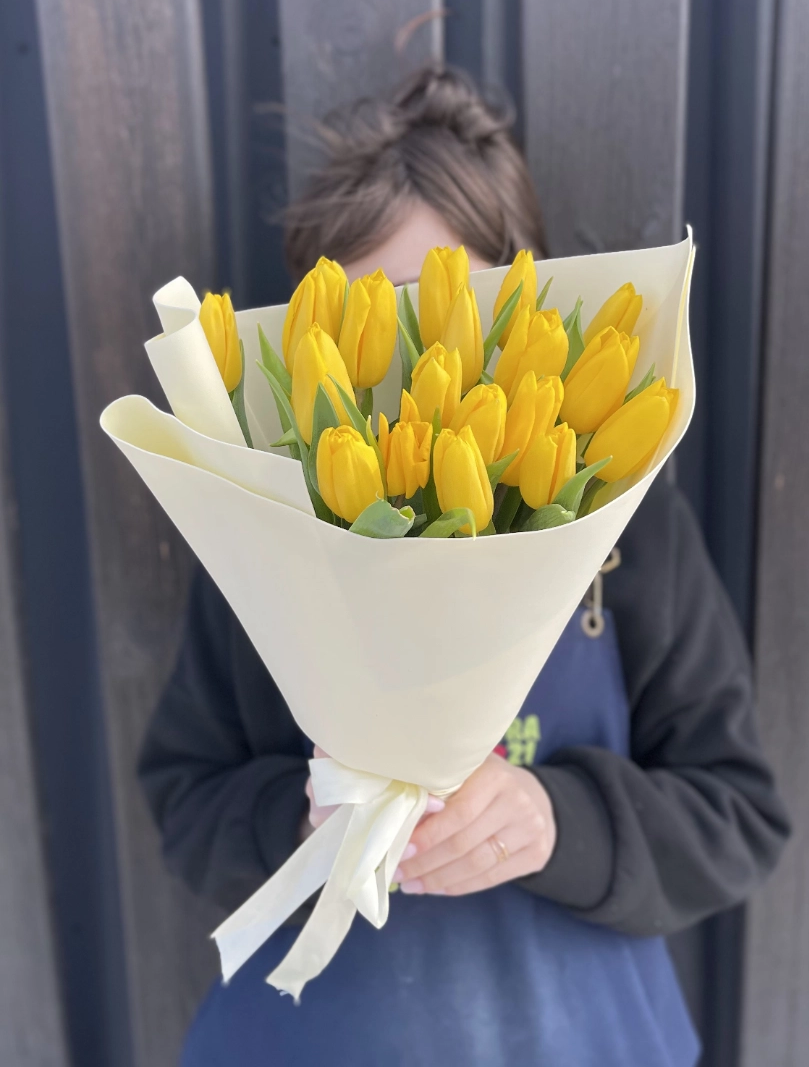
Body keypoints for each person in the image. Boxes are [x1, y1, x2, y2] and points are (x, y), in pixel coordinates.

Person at [139, 66, 790, 1067]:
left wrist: (554, 823)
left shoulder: (628, 526)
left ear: (527, 302)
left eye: (445, 307)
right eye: (367, 317)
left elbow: (737, 815)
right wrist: (306, 824)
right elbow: (185, 796)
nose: (421, 363)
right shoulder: (258, 532)